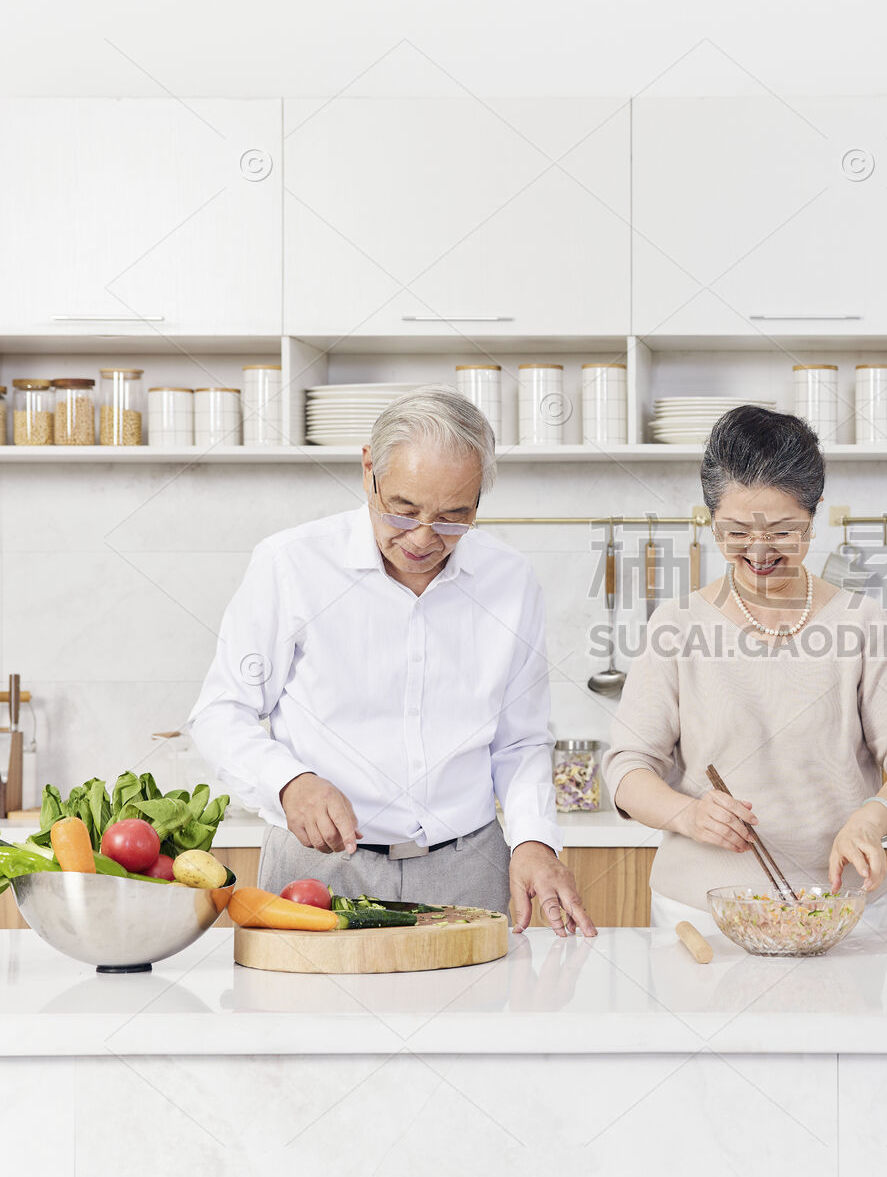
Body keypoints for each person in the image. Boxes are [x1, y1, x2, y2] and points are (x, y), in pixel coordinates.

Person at [188, 386, 594, 936]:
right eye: (403, 511)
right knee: (307, 1023)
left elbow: (519, 742)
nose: (424, 539)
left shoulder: (510, 579)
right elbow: (221, 711)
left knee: (468, 1019)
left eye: (455, 517)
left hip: (468, 869)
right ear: (367, 470)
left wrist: (533, 840)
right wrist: (289, 783)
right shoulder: (291, 565)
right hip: (319, 868)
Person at [603, 405, 887, 934]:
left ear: (815, 515)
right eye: (736, 531)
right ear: (710, 518)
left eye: (784, 531)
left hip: (839, 911)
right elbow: (627, 769)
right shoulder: (676, 624)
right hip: (703, 914)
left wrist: (875, 817)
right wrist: (687, 815)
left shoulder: (862, 623)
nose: (759, 551)